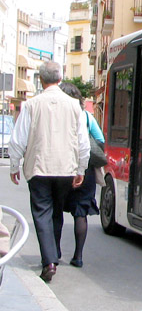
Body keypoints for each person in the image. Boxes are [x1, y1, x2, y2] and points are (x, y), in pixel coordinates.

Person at [8, 61, 90, 282]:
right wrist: (81, 167)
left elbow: (18, 140)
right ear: (60, 78)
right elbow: (83, 141)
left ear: (41, 80)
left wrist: (14, 165)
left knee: (42, 212)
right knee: (56, 211)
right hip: (65, 167)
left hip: (39, 166)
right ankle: (53, 254)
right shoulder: (75, 106)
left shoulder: (31, 105)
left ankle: (49, 261)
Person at [59, 82, 103, 268]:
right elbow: (100, 140)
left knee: (55, 211)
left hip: (60, 168)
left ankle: (54, 253)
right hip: (84, 169)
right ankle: (78, 256)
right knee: (80, 213)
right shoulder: (86, 116)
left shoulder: (56, 116)